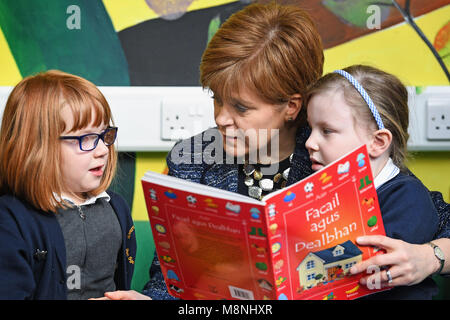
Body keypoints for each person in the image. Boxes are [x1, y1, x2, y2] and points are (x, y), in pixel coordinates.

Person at [104, 2, 449, 300]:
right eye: (217, 98)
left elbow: (431, 216)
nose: (222, 118)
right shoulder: (193, 159)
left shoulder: (332, 152)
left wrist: (430, 256)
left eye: (241, 108)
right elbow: (172, 279)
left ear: (290, 106)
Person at [304, 64, 439, 299]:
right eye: (310, 128)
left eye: (326, 131)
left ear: (377, 142)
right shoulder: (323, 190)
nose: (309, 142)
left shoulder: (408, 199)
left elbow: (363, 274)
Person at [0, 70, 136, 299]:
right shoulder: (10, 219)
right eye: (86, 138)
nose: (103, 150)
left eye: (104, 135)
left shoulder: (117, 208)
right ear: (38, 147)